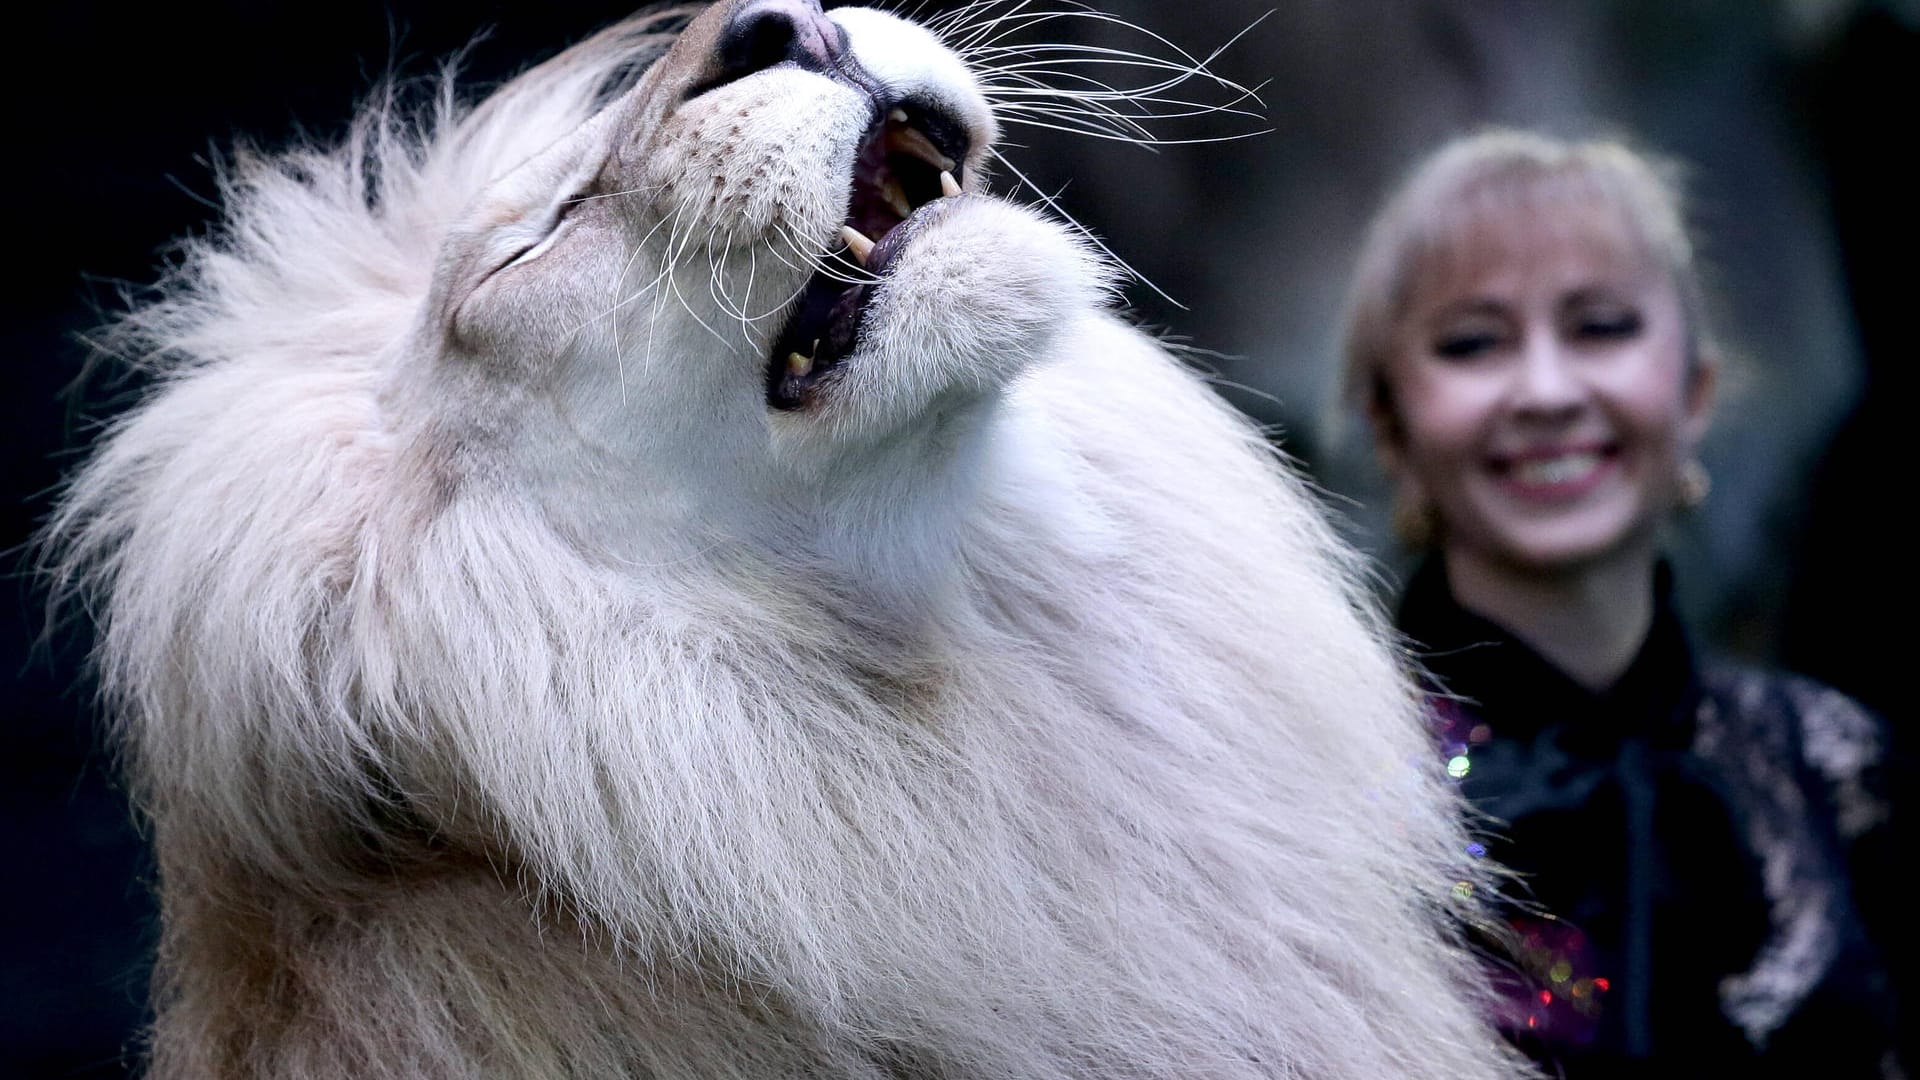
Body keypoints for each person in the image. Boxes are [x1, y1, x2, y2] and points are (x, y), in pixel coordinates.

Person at [1336, 128, 1904, 1075]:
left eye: (1601, 327)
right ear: (1391, 426)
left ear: (1696, 393)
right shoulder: (1320, 801)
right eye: (1474, 343)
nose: (1548, 391)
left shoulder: (1841, 767)